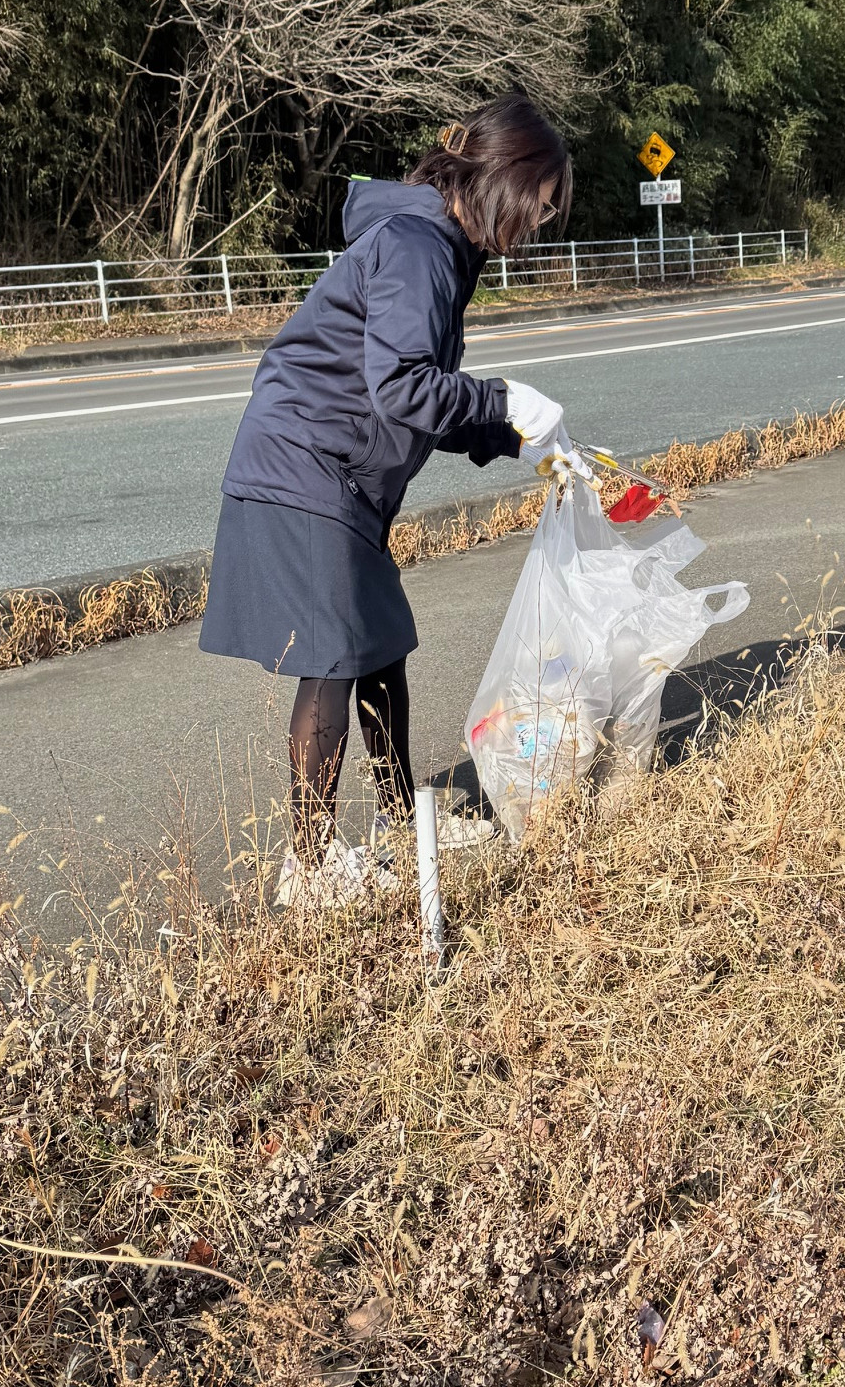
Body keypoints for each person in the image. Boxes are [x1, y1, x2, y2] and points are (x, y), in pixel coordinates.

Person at [200, 93, 572, 907]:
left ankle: (406, 823)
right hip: (306, 465)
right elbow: (404, 386)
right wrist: (504, 397)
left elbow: (416, 398)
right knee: (334, 657)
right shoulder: (417, 244)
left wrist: (514, 439)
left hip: (337, 472)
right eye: (539, 205)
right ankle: (309, 867)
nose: (538, 225)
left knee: (379, 646)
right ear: (503, 181)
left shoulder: (438, 245)